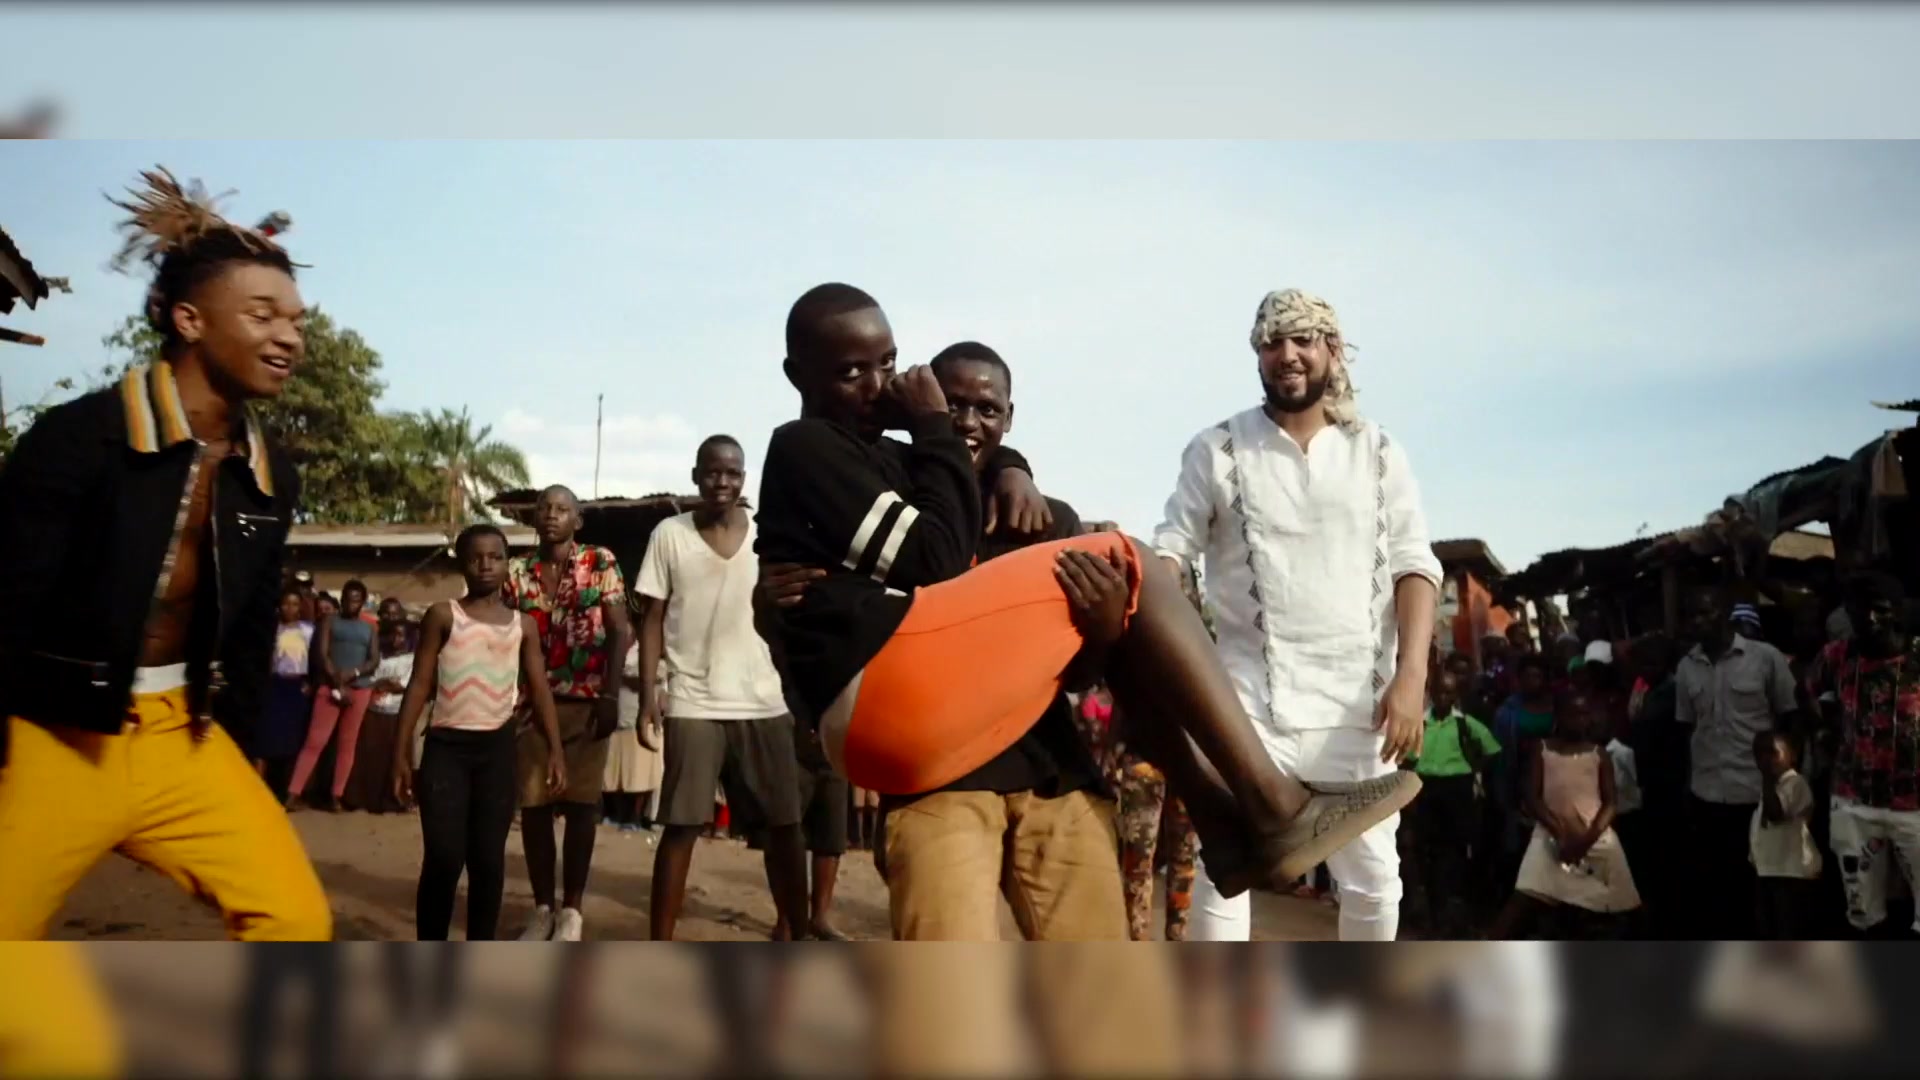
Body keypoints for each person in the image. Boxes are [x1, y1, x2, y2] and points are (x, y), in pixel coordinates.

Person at [753, 283, 1417, 925]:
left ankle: (1222, 820)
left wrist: (1093, 615)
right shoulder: (855, 460)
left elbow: (1078, 672)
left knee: (1098, 978)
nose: (880, 386)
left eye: (890, 365)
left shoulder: (1006, 501)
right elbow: (936, 558)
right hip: (920, 752)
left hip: (1039, 765)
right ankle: (1270, 805)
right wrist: (935, 432)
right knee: (1128, 557)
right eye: (854, 373)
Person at [0, 167, 329, 940]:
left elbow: (250, 628)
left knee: (296, 921)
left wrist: (241, 758)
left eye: (296, 320)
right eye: (262, 315)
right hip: (57, 736)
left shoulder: (269, 472)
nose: (289, 337)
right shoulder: (81, 437)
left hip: (186, 735)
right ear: (189, 319)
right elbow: (5, 602)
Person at [1153, 288, 1442, 942]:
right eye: (1271, 342)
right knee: (1226, 868)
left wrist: (1411, 678)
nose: (1286, 354)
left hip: (1361, 710)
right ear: (1257, 356)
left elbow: (1415, 566)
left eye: (1302, 339)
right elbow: (1173, 548)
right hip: (1248, 707)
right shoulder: (1219, 449)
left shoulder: (1378, 450)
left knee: (1374, 882)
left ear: (1332, 351)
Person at [634, 436, 812, 941]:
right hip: (693, 699)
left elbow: (794, 614)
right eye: (712, 472)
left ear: (744, 479)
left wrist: (801, 693)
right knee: (682, 825)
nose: (722, 482)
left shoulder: (767, 533)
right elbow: (652, 619)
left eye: (732, 473)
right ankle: (659, 942)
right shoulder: (669, 535)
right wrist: (648, 696)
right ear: (696, 476)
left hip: (764, 699)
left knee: (784, 828)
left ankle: (796, 931)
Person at [394, 524, 567, 941]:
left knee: (488, 861)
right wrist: (399, 753)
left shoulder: (523, 625)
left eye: (495, 557)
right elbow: (419, 684)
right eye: (476, 557)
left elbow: (539, 689)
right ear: (462, 564)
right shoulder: (443, 615)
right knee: (444, 857)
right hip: (446, 750)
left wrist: (555, 750)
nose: (486, 565)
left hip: (497, 751)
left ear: (508, 564)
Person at [504, 485, 632, 942]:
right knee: (535, 806)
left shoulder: (600, 562)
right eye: (544, 508)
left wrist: (611, 696)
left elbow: (619, 631)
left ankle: (572, 910)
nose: (551, 515)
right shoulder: (515, 571)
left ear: (577, 520)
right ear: (534, 518)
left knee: (582, 806)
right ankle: (543, 908)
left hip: (588, 701)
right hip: (531, 706)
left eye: (562, 509)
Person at [1676, 585, 1803, 940]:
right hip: (1707, 794)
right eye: (1692, 615)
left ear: (1724, 613)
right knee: (1721, 888)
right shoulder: (1686, 667)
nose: (1698, 621)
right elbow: (1687, 729)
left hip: (1757, 793)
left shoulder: (1765, 658)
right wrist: (1687, 786)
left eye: (1705, 612)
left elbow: (1791, 720)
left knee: (1769, 885)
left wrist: (1784, 783)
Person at [1802, 572, 1920, 937]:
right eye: (1859, 610)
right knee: (1863, 911)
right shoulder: (1837, 655)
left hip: (1915, 805)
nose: (1869, 619)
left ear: (1898, 611)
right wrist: (1823, 729)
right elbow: (1805, 690)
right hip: (1854, 802)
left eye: (1880, 610)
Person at [1490, 690, 1641, 939]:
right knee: (1523, 897)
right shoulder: (1542, 749)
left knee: (1625, 903)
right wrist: (1558, 831)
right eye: (1572, 714)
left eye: (1584, 714)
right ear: (1558, 716)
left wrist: (1587, 839)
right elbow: (1532, 797)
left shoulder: (1598, 753)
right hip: (1550, 835)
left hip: (1594, 837)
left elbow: (1610, 802)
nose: (1579, 720)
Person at [1405, 668, 1502, 938]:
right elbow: (1408, 758)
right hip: (1426, 787)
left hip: (1456, 788)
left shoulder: (1464, 724)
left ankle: (1455, 910)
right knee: (1426, 849)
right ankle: (1434, 910)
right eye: (1439, 692)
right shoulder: (1421, 723)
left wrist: (1474, 768)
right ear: (1431, 694)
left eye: (1448, 693)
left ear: (1455, 696)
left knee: (1456, 849)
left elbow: (1492, 748)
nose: (1443, 698)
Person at [287, 579, 382, 812]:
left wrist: (354, 673)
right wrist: (337, 682)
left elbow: (373, 660)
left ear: (362, 602)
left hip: (359, 688)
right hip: (330, 687)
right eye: (348, 599)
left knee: (347, 745)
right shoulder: (330, 621)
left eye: (356, 600)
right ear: (342, 600)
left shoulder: (369, 628)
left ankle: (336, 795)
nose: (352, 603)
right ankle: (293, 792)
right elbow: (322, 654)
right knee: (315, 741)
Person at [1750, 730, 1821, 940]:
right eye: (1759, 754)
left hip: (1791, 873)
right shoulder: (1771, 787)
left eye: (1773, 752)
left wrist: (1765, 777)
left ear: (1793, 755)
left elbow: (1776, 814)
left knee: (1788, 928)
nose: (1765, 759)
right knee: (1768, 927)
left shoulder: (1796, 783)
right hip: (1769, 871)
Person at [352, 600, 416, 813]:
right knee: (374, 757)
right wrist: (382, 683)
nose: (397, 640)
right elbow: (371, 680)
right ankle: (372, 799)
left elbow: (402, 685)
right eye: (393, 635)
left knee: (397, 756)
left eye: (401, 636)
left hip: (398, 712)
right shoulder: (378, 654)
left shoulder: (412, 658)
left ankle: (399, 798)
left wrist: (383, 684)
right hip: (375, 710)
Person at [256, 586, 316, 801]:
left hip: (296, 688)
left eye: (294, 604)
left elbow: (316, 659)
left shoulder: (308, 631)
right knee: (266, 740)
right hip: (274, 686)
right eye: (286, 604)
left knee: (291, 741)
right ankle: (259, 791)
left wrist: (311, 683)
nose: (290, 608)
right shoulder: (271, 630)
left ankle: (285, 792)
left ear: (300, 608)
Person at [602, 640, 663, 833]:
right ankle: (614, 815)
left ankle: (633, 818)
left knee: (640, 775)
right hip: (619, 717)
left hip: (643, 719)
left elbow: (652, 674)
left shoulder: (655, 647)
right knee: (614, 774)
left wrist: (625, 674)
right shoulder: (623, 644)